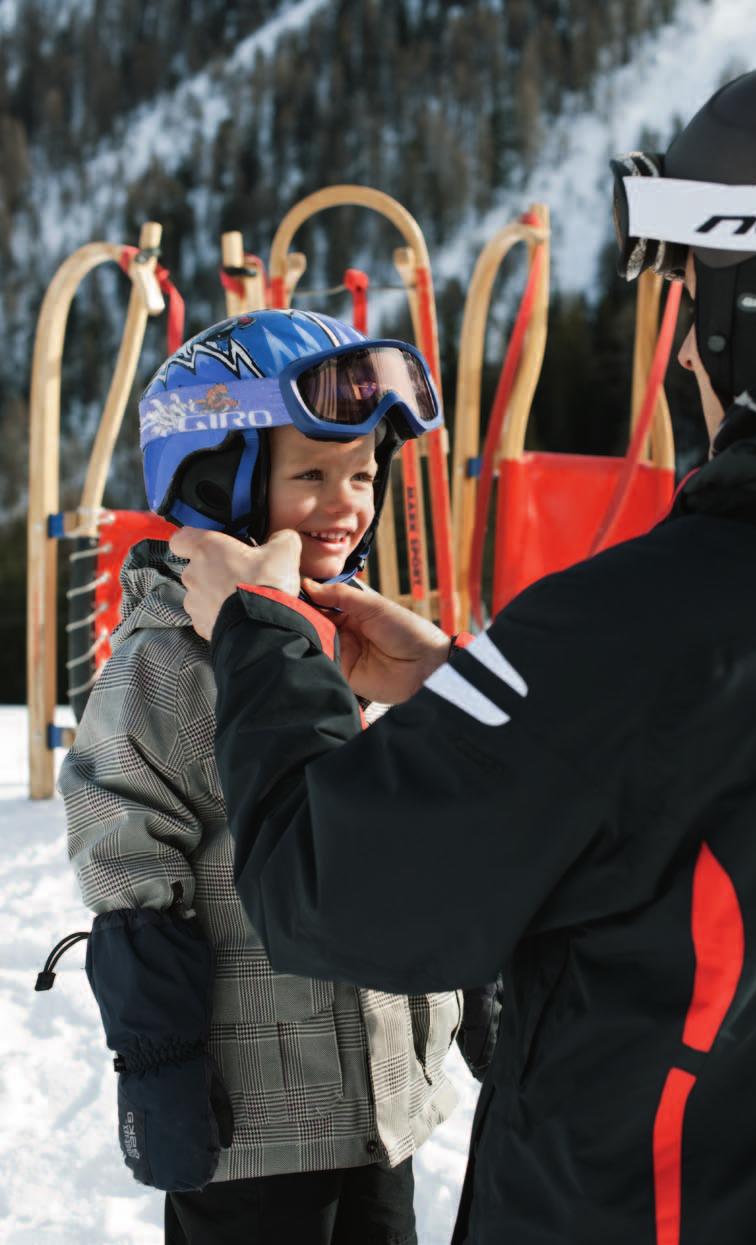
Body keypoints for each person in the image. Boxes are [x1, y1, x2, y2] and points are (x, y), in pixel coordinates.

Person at [172, 43, 756, 1245]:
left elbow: (331, 892)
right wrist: (471, 690)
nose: (691, 351)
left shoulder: (636, 633)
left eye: (701, 295)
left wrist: (261, 638)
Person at [59, 308, 489, 1245]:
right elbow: (123, 850)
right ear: (220, 480)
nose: (346, 503)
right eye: (311, 474)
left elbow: (400, 834)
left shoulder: (342, 639)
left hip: (377, 1104)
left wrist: (478, 976)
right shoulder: (168, 660)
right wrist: (161, 1062)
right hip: (253, 1121)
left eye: (363, 473)